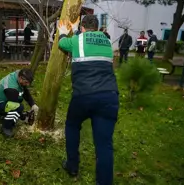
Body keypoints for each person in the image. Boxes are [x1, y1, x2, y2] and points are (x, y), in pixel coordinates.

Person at [57, 15, 119, 185]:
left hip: (84, 96)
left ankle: (72, 165)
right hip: (109, 96)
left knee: (72, 125)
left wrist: (63, 32)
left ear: (82, 28)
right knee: (104, 144)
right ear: (97, 28)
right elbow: (87, 40)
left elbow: (63, 43)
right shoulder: (107, 41)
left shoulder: (77, 40)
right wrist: (77, 30)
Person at [0, 68, 39, 137]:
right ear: (20, 78)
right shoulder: (11, 87)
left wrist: (33, 104)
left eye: (29, 82)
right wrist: (24, 117)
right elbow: (14, 104)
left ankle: (4, 115)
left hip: (2, 100)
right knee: (18, 107)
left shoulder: (18, 75)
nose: (28, 84)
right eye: (26, 82)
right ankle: (6, 127)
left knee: (18, 104)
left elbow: (25, 91)